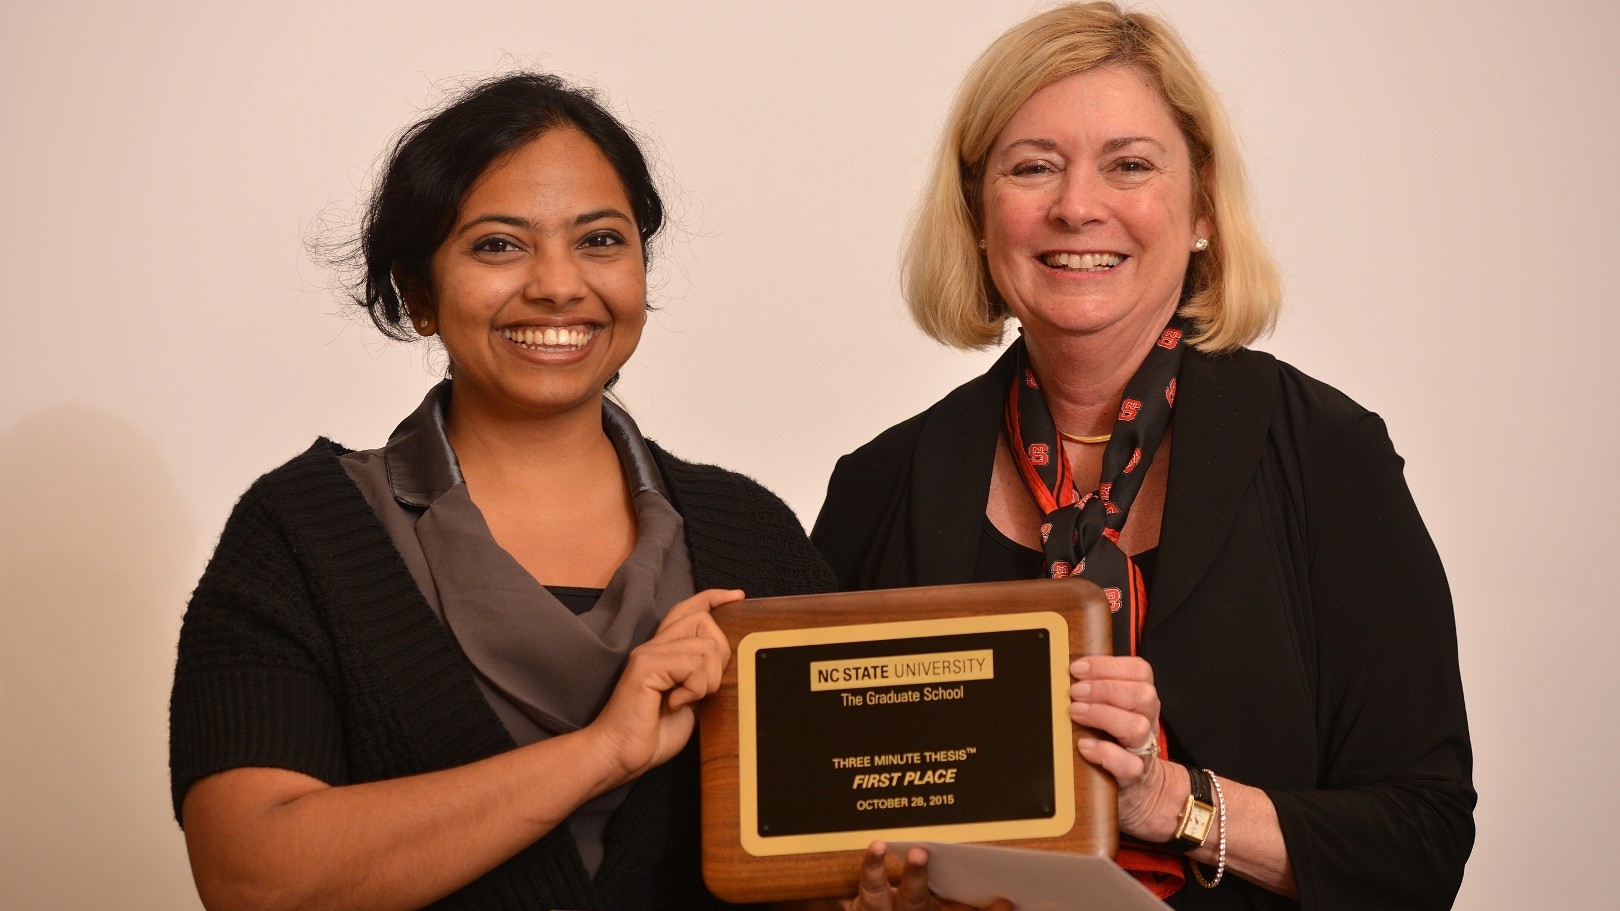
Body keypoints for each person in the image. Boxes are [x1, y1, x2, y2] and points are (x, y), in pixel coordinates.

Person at [811, 4, 1474, 909]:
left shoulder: (1329, 457)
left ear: (1201, 205)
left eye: (1129, 165)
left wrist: (1171, 800)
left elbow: (1422, 844)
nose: (1077, 206)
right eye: (1033, 166)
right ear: (976, 211)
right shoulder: (879, 487)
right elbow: (821, 836)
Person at [168, 72, 837, 911]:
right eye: (499, 245)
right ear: (417, 294)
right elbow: (252, 878)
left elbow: (835, 844)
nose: (559, 285)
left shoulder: (752, 532)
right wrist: (601, 751)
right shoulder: (303, 534)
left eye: (600, 240)